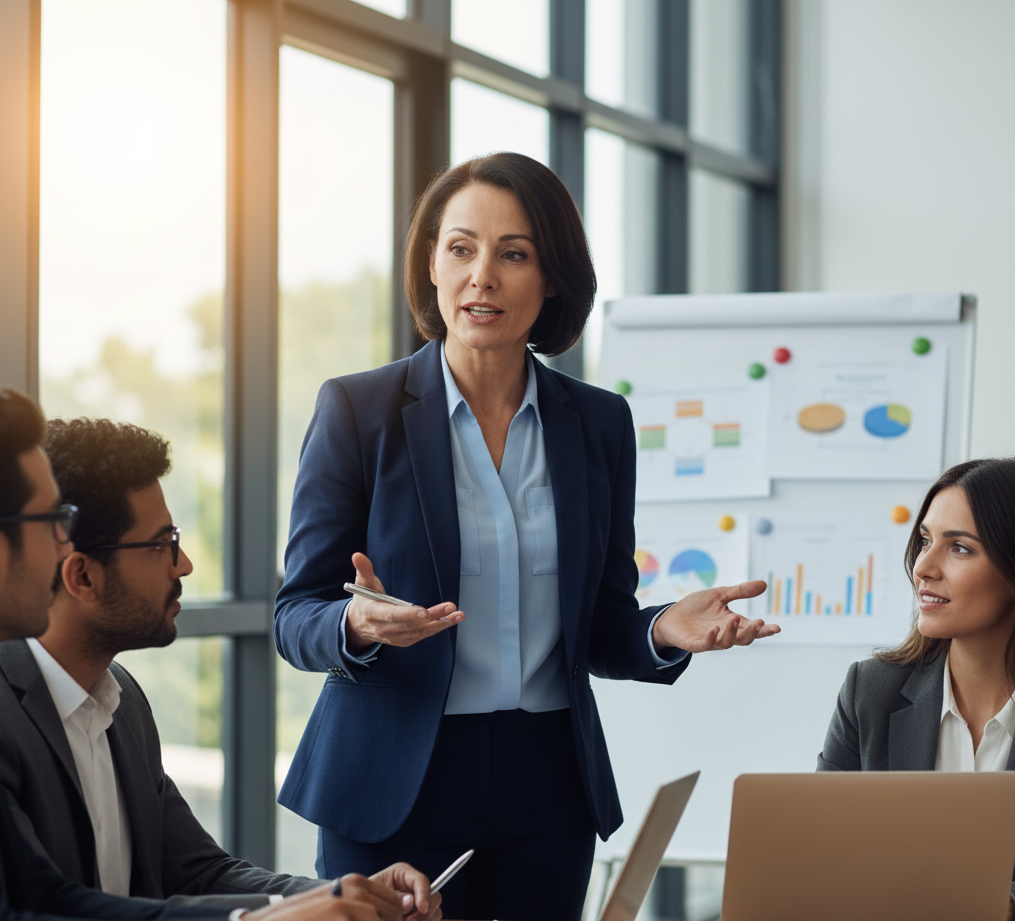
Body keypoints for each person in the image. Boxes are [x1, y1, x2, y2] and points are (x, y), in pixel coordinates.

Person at [273, 152, 779, 921]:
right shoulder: (358, 410)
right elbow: (293, 614)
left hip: (546, 779)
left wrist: (661, 630)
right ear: (432, 269)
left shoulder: (598, 424)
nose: (483, 275)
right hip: (390, 780)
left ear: (552, 280)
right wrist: (353, 623)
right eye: (461, 248)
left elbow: (603, 623)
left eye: (514, 254)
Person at [0, 387, 437, 921]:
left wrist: (346, 897)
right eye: (162, 544)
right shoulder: (7, 716)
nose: (183, 565)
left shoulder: (123, 701)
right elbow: (40, 909)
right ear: (83, 576)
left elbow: (197, 871)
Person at [817, 457, 1015, 908]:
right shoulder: (870, 692)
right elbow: (823, 857)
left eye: (959, 547)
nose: (924, 566)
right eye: (925, 540)